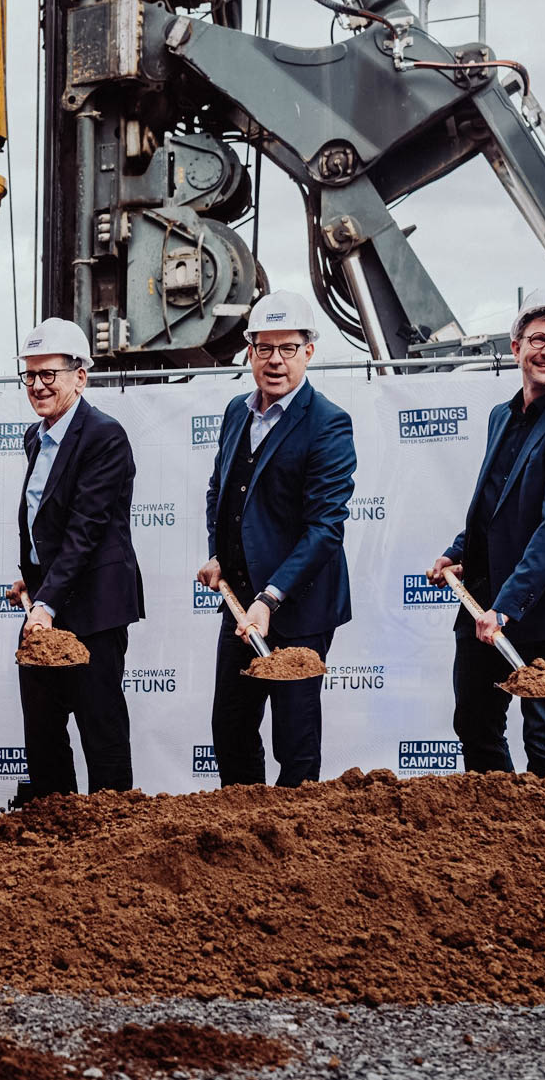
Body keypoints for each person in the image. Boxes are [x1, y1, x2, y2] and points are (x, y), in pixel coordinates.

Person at [427, 287, 545, 774]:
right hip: (485, 600)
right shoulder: (501, 416)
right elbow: (494, 506)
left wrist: (506, 607)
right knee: (474, 722)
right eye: (537, 338)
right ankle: (499, 838)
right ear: (516, 348)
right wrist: (457, 552)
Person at [196, 291, 355, 787]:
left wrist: (271, 596)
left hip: (298, 610)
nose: (275, 361)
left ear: (309, 351)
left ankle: (295, 847)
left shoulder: (328, 423)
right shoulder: (235, 412)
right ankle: (244, 840)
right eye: (264, 348)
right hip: (241, 605)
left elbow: (325, 527)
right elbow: (219, 490)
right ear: (249, 351)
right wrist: (218, 554)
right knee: (231, 726)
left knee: (295, 736)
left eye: (288, 348)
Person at [7, 317, 144, 802]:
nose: (39, 385)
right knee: (42, 731)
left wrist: (46, 604)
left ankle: (113, 836)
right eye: (30, 375)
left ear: (80, 376)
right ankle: (54, 835)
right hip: (47, 607)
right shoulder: (34, 437)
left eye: (50, 375)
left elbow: (86, 530)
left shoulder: (105, 436)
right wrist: (32, 583)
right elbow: (43, 521)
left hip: (94, 612)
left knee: (100, 726)